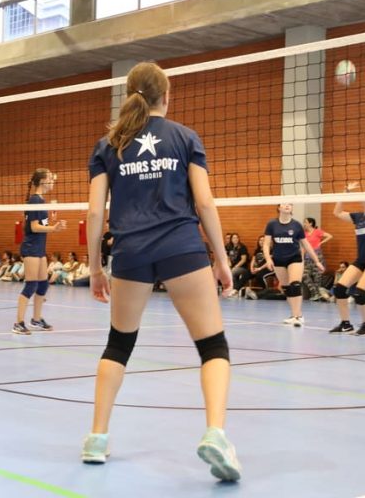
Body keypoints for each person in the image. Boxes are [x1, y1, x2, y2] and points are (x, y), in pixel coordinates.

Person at [82, 62, 241, 481]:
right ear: (166, 96)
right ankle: (215, 433)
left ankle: (97, 438)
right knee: (212, 346)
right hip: (182, 248)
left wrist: (95, 267)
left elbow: (95, 212)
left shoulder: (108, 145)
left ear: (129, 95)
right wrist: (222, 260)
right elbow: (204, 203)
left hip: (130, 252)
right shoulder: (185, 137)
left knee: (118, 345)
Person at [11, 169, 66, 335]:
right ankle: (18, 323)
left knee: (43, 284)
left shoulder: (41, 201)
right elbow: (34, 227)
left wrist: (54, 226)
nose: (53, 181)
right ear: (42, 181)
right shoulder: (35, 200)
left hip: (39, 248)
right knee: (31, 285)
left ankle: (36, 319)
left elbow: (41, 226)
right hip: (31, 248)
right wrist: (53, 228)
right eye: (50, 178)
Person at [329, 180, 365, 335]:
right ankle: (345, 324)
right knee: (339, 289)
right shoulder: (358, 217)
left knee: (360, 293)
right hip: (361, 259)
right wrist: (345, 192)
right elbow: (337, 213)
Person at [263, 204, 325, 327]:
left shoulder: (296, 225)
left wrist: (317, 261)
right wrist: (268, 259)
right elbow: (266, 244)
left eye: (290, 204)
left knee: (295, 284)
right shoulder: (272, 224)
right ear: (279, 208)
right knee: (287, 289)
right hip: (278, 259)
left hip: (294, 258)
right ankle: (295, 314)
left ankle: (297, 316)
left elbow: (306, 244)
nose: (287, 206)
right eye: (284, 204)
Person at [302, 217, 333, 301]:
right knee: (304, 275)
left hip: (317, 255)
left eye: (305, 222)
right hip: (307, 256)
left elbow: (330, 236)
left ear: (311, 223)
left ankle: (317, 295)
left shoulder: (317, 232)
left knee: (317, 276)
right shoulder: (304, 233)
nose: (304, 224)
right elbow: (303, 246)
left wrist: (321, 242)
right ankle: (315, 292)